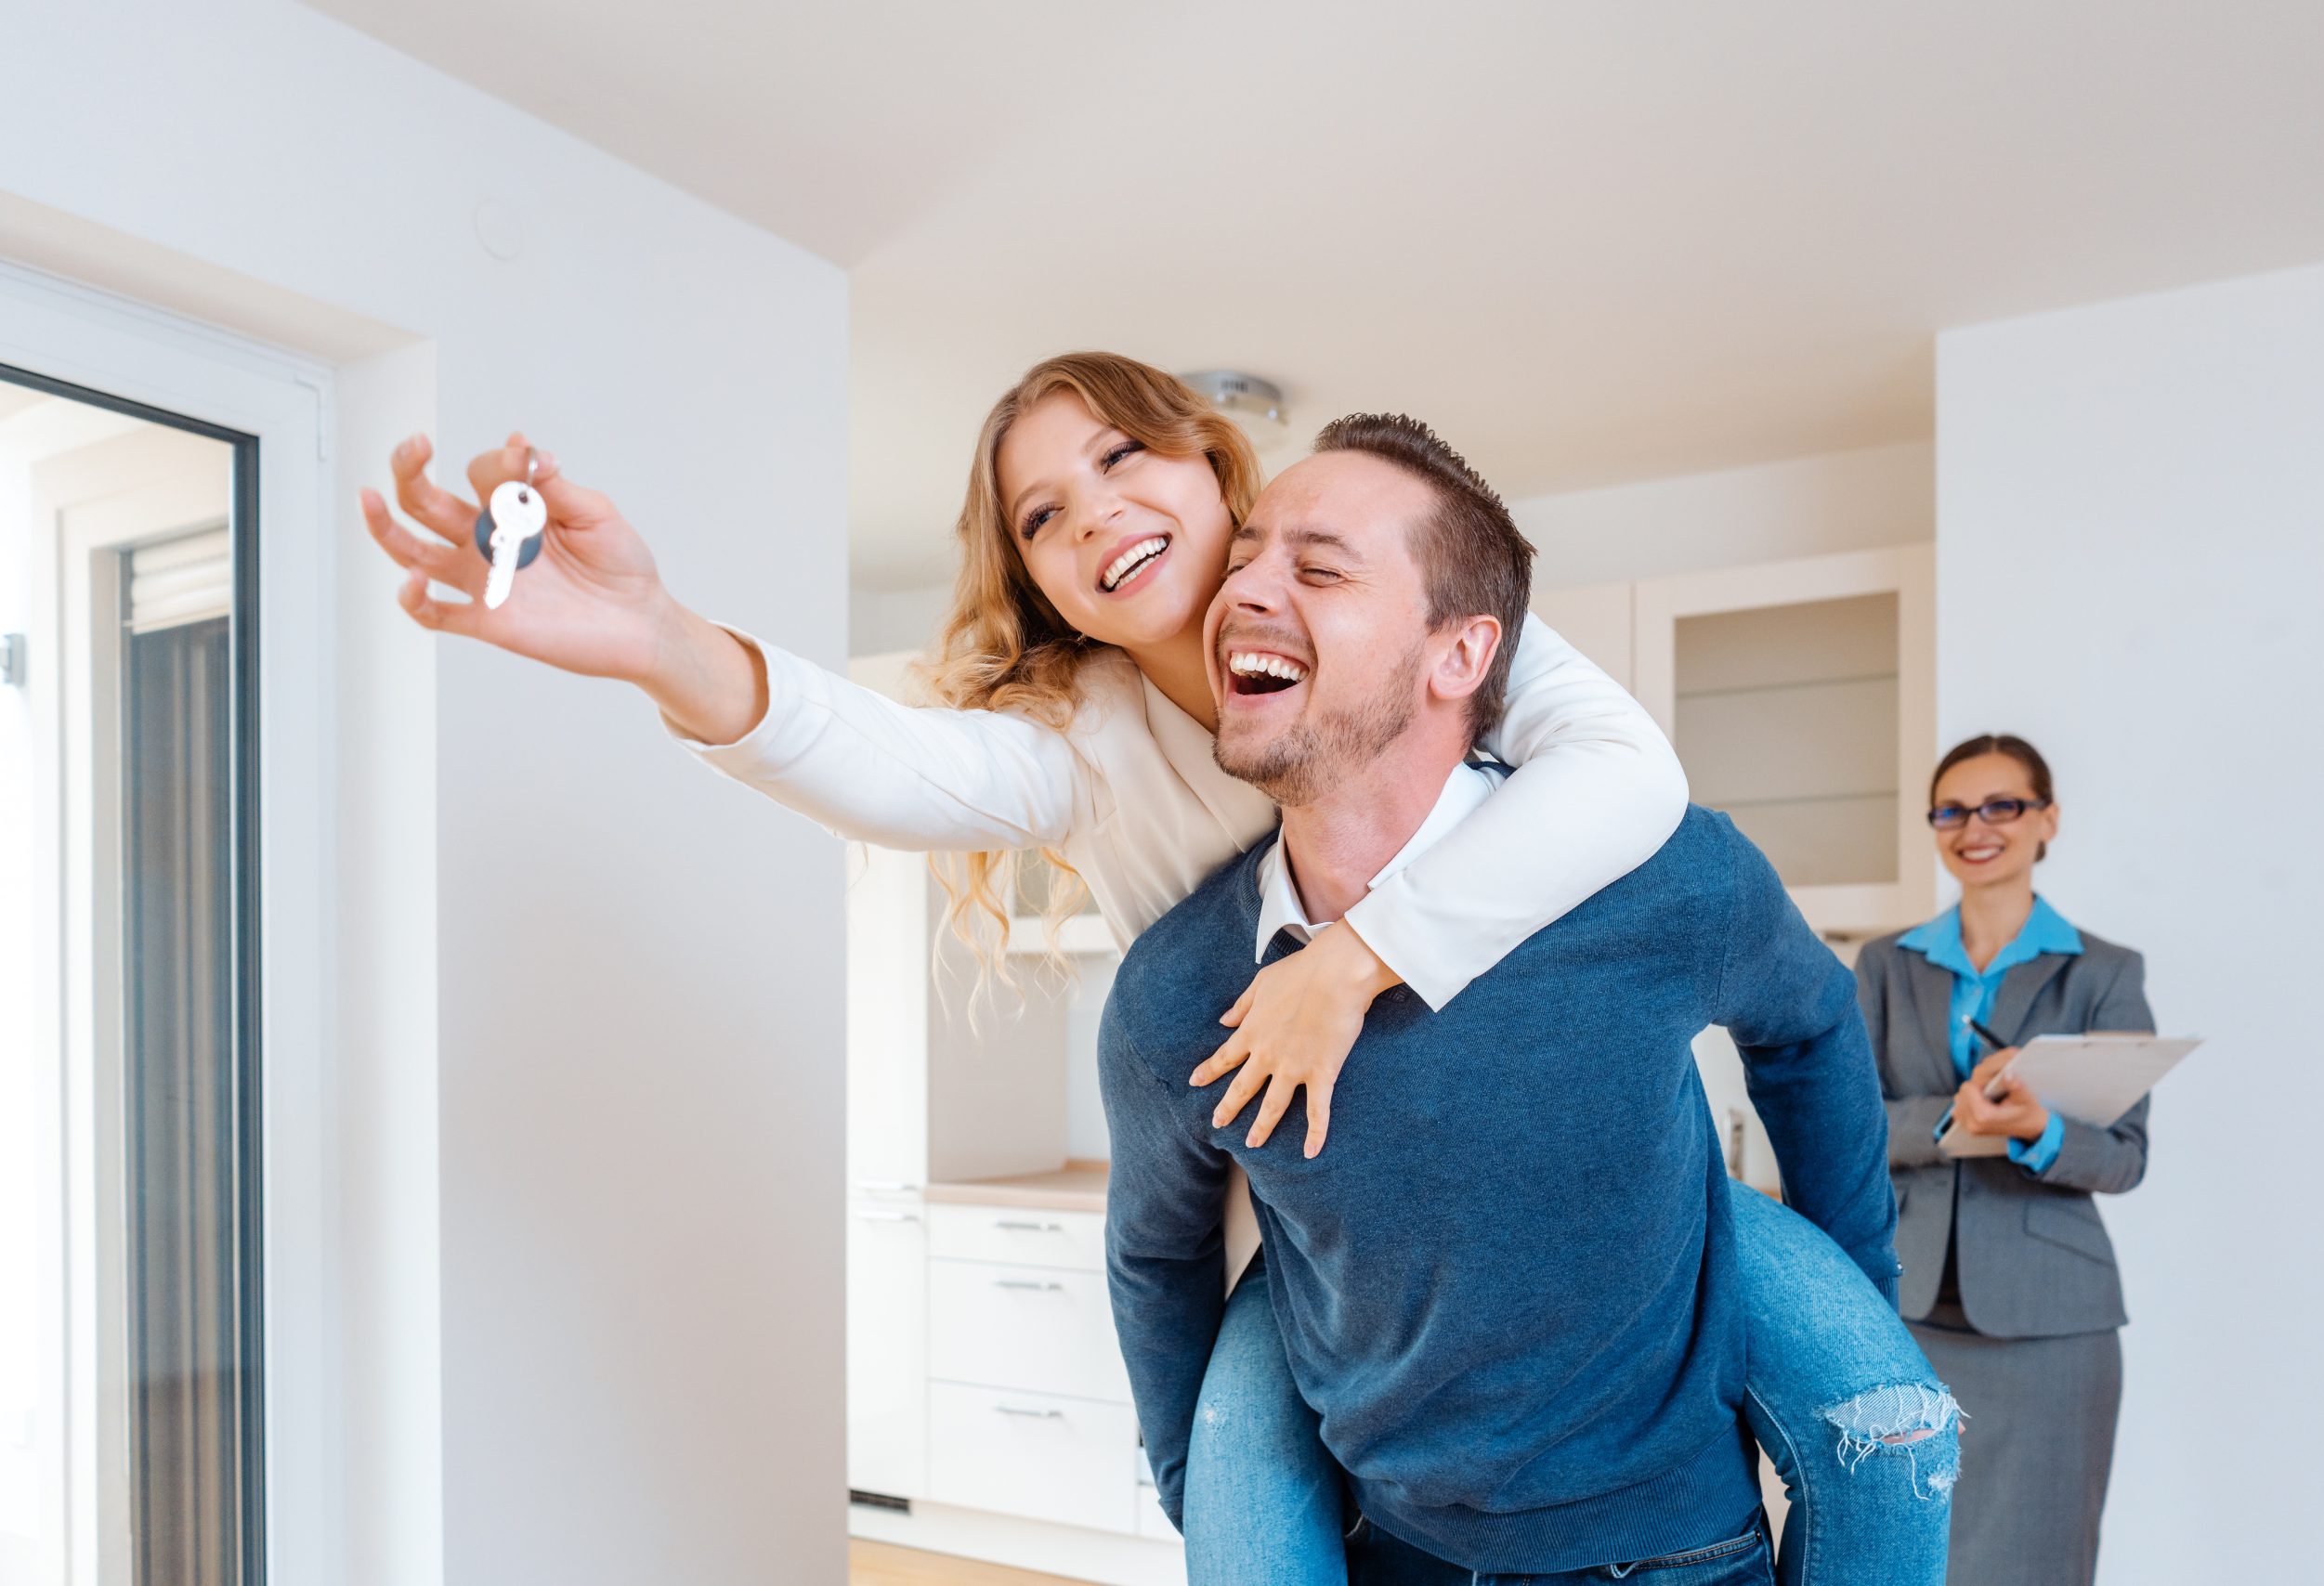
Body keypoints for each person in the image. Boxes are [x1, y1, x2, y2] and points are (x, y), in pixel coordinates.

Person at [359, 354, 1954, 1584]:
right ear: (1039, 582)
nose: (1095, 511)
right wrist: (658, 638)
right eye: (1043, 514)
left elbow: (1639, 786)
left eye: (1122, 455)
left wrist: (1353, 961)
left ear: (1216, 466)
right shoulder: (1086, 755)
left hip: (1595, 1245)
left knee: (1885, 1415)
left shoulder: (1462, 650)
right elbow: (877, 757)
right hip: (1316, 1226)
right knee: (1233, 1493)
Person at [1103, 411, 1939, 1586]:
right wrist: (1208, 1499)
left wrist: (1851, 1309)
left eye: (1319, 565)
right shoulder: (1180, 987)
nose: (1241, 588)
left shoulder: (1656, 873)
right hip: (1391, 1556)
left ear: (1461, 656)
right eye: (1240, 557)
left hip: (1677, 1554)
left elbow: (1810, 1028)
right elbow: (1155, 1254)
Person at [1857, 734, 2152, 1585]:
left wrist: (2038, 1129)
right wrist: (1953, 1116)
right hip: (1903, 1312)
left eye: (2002, 806)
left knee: (2043, 1558)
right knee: (1901, 1554)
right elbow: (1840, 1132)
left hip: (2054, 1325)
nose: (1974, 828)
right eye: (1951, 811)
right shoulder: (1884, 967)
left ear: (2045, 819)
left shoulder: (2103, 972)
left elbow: (2126, 1157)